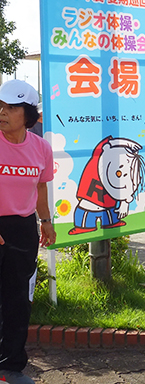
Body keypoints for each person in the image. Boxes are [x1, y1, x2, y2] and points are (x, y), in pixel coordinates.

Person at [0, 79, 57, 384]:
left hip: (22, 229)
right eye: (1, 106)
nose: (3, 112)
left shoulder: (41, 148)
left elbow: (40, 186)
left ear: (28, 114)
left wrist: (45, 221)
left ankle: (10, 366)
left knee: (17, 299)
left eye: (10, 107)